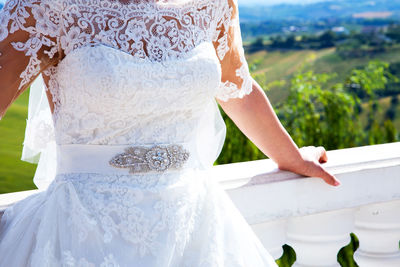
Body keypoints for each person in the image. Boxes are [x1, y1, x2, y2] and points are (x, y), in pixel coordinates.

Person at [0, 0, 340, 266]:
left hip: (194, 224)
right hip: (85, 230)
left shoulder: (212, 3)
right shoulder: (48, 6)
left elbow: (239, 90)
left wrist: (293, 158)